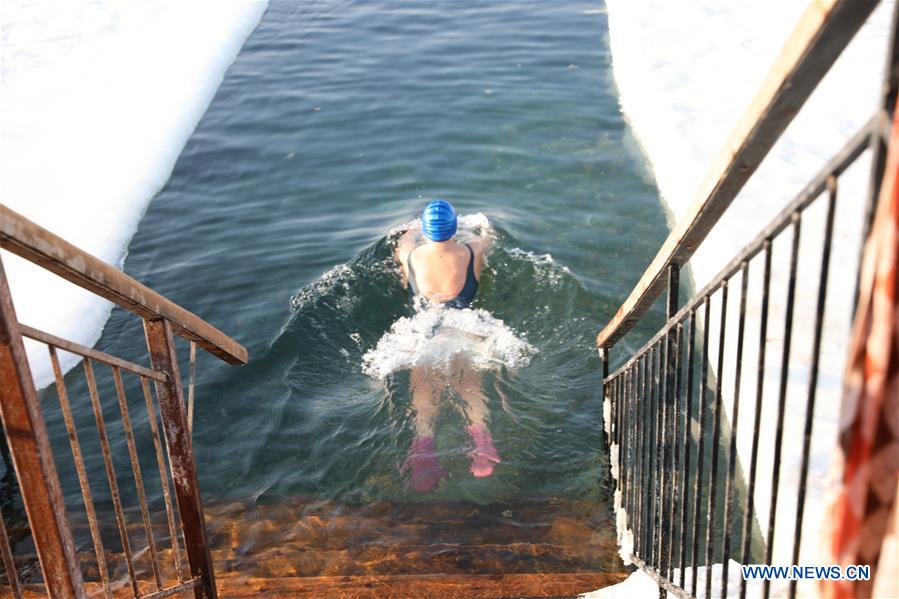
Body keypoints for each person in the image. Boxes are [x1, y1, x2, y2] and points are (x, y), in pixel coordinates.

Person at [394, 199, 500, 492]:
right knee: (470, 387)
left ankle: (423, 449)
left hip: (425, 331)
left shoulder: (410, 254)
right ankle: (481, 443)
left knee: (424, 391)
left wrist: (412, 228)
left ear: (426, 231)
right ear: (453, 228)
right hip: (465, 328)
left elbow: (403, 241)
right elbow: (487, 236)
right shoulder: (472, 251)